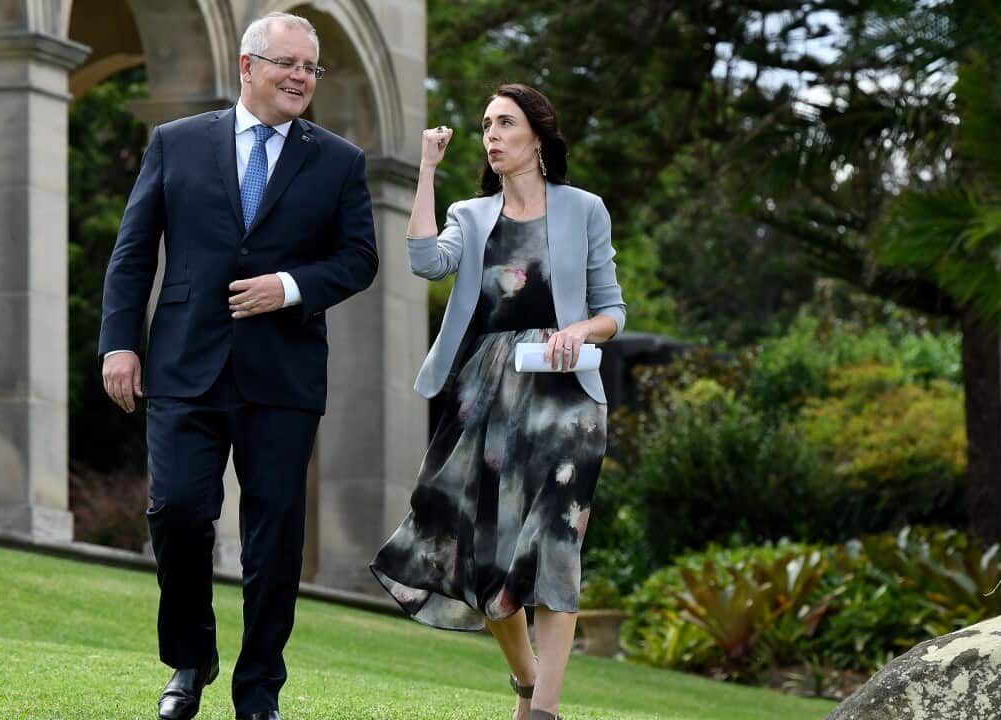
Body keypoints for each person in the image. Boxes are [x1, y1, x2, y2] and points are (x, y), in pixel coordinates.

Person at [98, 12, 378, 720]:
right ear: (248, 67)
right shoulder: (177, 143)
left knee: (273, 539)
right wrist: (119, 343)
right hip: (183, 363)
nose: (300, 78)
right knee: (179, 513)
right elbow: (134, 252)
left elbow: (359, 260)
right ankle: (189, 662)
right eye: (288, 63)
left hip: (282, 376)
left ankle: (259, 693)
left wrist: (288, 288)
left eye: (310, 68)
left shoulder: (339, 160)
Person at [370, 83, 626, 720]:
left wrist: (580, 332)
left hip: (568, 400)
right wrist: (426, 170)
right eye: (486, 124)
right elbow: (427, 262)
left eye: (504, 122)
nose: (491, 134)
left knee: (557, 546)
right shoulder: (470, 214)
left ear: (536, 136)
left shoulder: (585, 208)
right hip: (488, 394)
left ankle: (543, 711)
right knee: (487, 561)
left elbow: (612, 310)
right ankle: (526, 680)